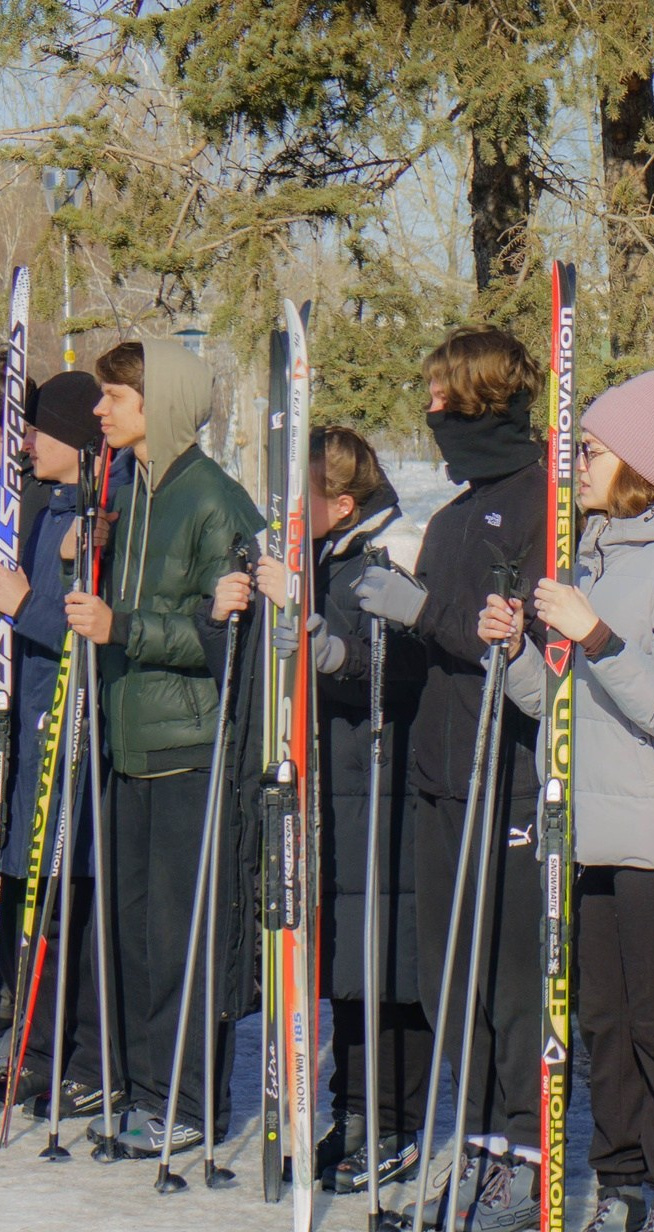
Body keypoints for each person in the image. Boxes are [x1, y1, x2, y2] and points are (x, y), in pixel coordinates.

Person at [481, 369, 654, 1232]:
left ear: (640, 461)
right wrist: (515, 650)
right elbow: (556, 709)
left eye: (590, 449)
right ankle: (622, 1187)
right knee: (602, 1025)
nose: (575, 463)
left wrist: (598, 639)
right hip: (589, 830)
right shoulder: (595, 551)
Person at [356, 328, 547, 1232]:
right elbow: (439, 641)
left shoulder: (543, 500)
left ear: (479, 397)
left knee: (511, 983)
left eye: (441, 393)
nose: (429, 409)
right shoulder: (457, 511)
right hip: (443, 771)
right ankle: (472, 1142)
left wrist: (425, 609)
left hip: (507, 777)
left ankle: (523, 1153)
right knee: (450, 979)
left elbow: (523, 646)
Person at [208, 427, 430, 1192]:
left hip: (381, 782)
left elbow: (395, 670)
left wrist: (309, 624)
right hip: (325, 785)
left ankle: (394, 1117)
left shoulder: (387, 552)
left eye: (303, 499)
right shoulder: (324, 555)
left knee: (385, 960)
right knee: (343, 954)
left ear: (339, 503)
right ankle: (354, 1108)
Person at [64, 338, 263, 1160]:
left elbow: (228, 634)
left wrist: (125, 628)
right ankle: (142, 1084)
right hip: (126, 737)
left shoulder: (215, 501)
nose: (99, 410)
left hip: (189, 744)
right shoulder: (131, 490)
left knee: (181, 932)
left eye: (115, 396)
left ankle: (185, 1098)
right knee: (134, 928)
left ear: (162, 402)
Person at [0, 372, 112, 1117]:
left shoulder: (99, 514)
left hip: (74, 727)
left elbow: (85, 634)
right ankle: (36, 1048)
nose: (28, 443)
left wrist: (23, 606)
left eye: (40, 431)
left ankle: (79, 1052)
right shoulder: (47, 508)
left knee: (67, 890)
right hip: (36, 717)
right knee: (30, 886)